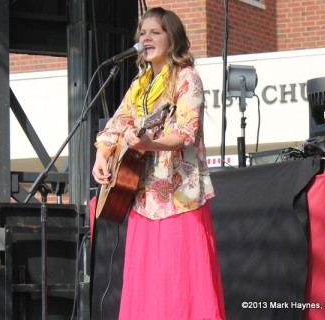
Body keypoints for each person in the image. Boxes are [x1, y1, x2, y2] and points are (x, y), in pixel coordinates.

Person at [92, 7, 226, 320]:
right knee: (146, 290)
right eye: (143, 33)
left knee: (182, 283)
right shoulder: (142, 84)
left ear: (172, 38)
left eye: (155, 32)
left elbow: (186, 132)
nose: (146, 38)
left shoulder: (186, 78)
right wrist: (102, 155)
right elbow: (114, 127)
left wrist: (148, 143)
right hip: (142, 198)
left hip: (179, 199)